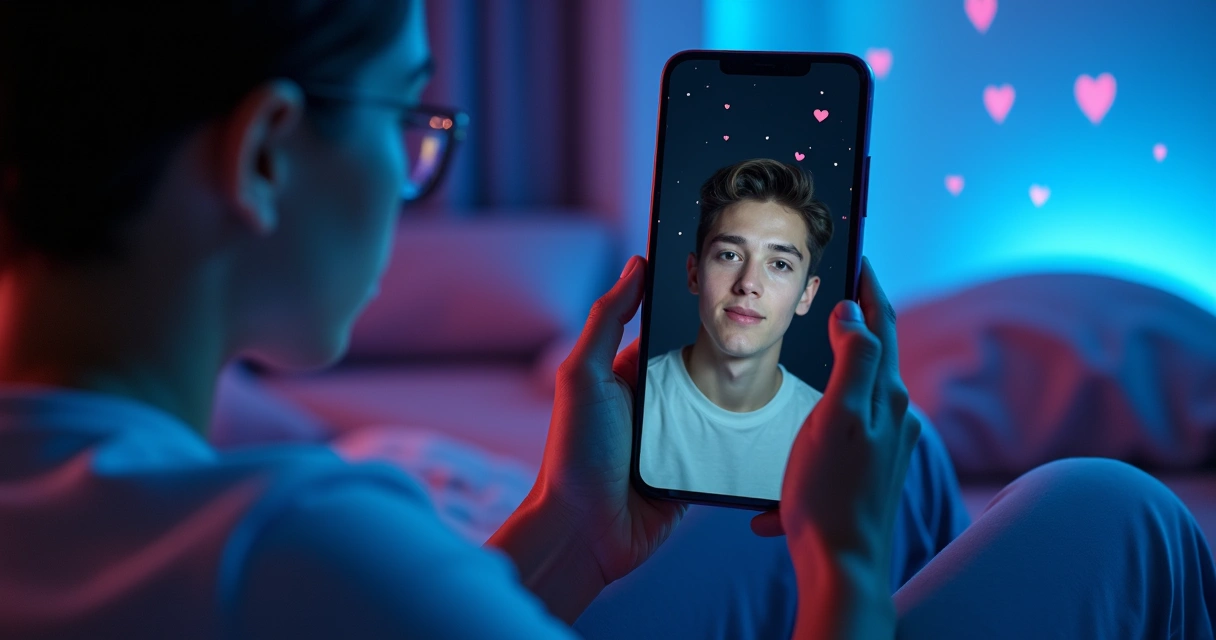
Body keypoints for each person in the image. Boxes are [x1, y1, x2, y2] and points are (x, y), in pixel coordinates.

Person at [0, 1, 1212, 639]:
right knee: (1108, 512)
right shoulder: (290, 543)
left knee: (884, 475)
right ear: (265, 154)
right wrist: (837, 568)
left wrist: (567, 534)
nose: (414, 167)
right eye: (406, 117)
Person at [641, 158, 832, 500]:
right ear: (694, 273)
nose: (748, 284)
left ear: (807, 295)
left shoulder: (829, 433)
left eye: (779, 264)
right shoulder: (630, 406)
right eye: (729, 255)